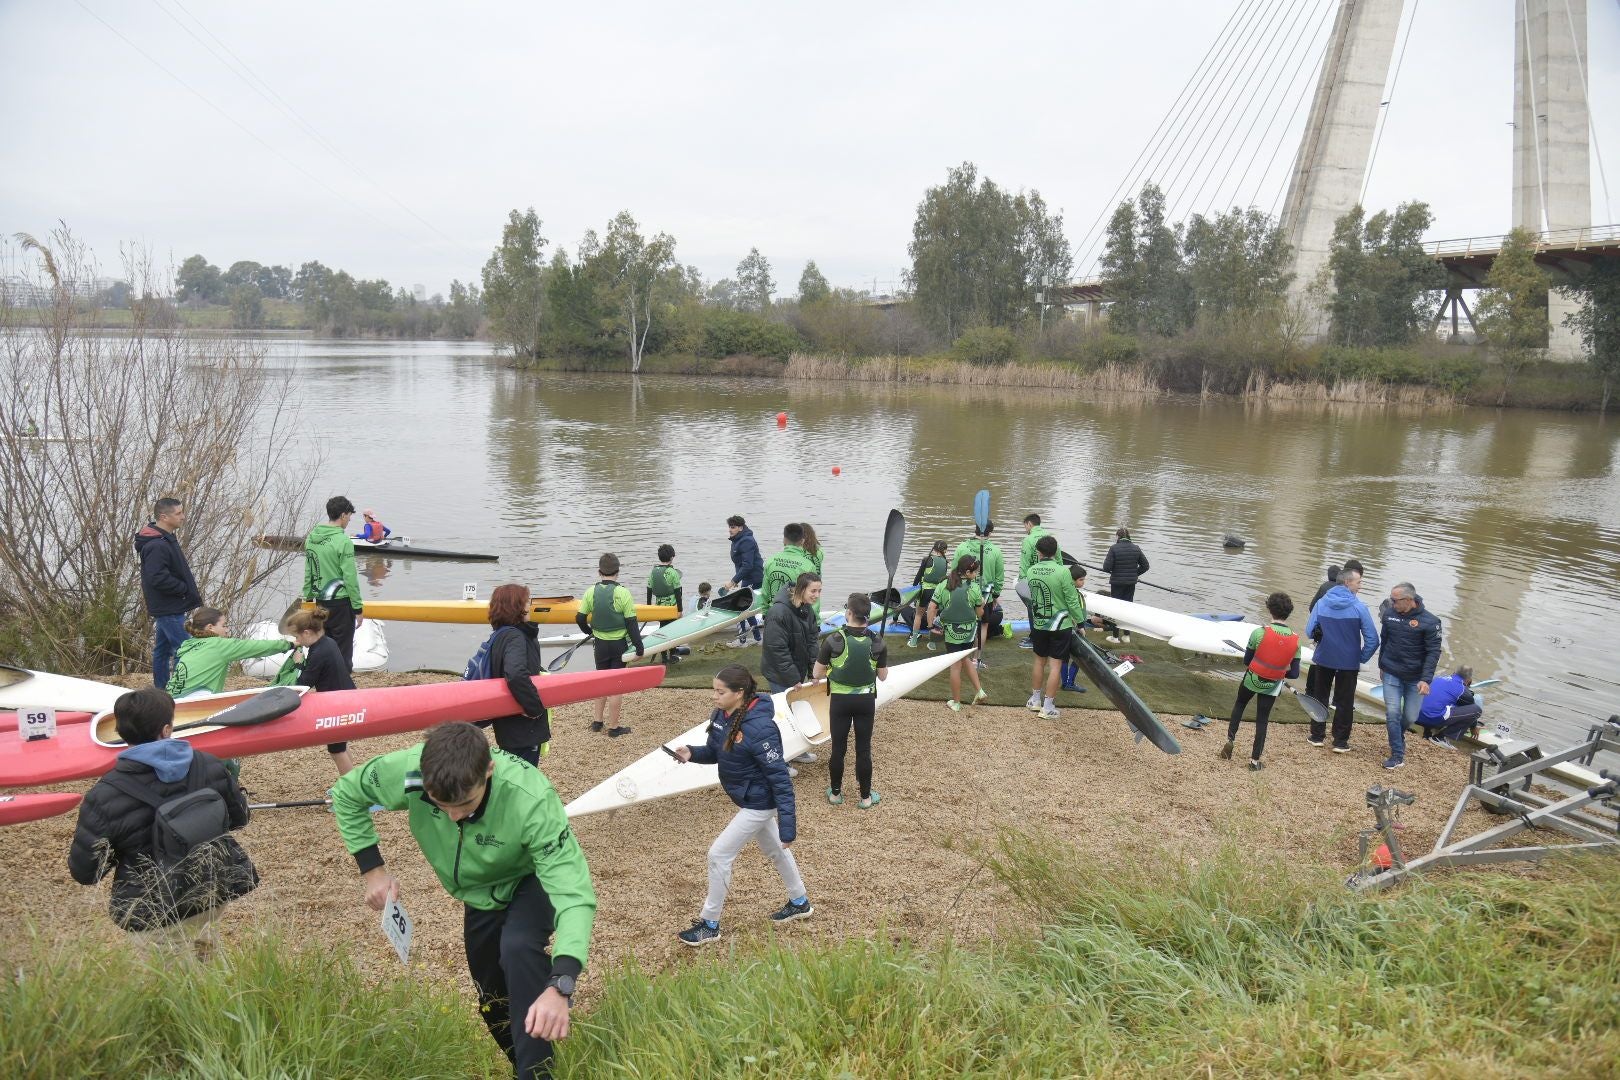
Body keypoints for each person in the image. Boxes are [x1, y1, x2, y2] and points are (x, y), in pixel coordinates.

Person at [332, 721, 595, 1080]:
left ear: (489, 770)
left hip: (530, 877)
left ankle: (537, 1074)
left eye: (466, 804)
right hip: (479, 894)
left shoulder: (530, 798)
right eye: (442, 806)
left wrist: (562, 981)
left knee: (517, 948)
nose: (456, 816)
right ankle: (522, 1062)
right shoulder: (410, 769)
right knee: (490, 996)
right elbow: (347, 793)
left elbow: (573, 894)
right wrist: (372, 869)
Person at [67, 687, 256, 957]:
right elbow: (239, 818)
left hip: (153, 909)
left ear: (120, 733)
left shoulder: (105, 795)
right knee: (206, 958)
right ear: (166, 729)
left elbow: (86, 872)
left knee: (168, 987)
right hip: (210, 890)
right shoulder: (209, 765)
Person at [671, 665, 811, 946]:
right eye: (714, 690)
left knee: (718, 855)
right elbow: (716, 751)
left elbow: (780, 777)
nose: (714, 696)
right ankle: (800, 901)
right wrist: (692, 753)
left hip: (760, 802)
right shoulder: (723, 715)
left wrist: (788, 828)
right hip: (748, 797)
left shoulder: (760, 728)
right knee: (775, 852)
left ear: (739, 693)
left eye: (720, 692)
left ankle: (710, 924)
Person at [814, 594, 889, 809]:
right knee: (863, 749)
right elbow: (883, 676)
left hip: (840, 701)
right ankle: (865, 797)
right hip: (865, 701)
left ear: (849, 613)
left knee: (839, 748)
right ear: (867, 616)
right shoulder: (877, 641)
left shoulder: (832, 640)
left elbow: (817, 673)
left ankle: (836, 794)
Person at [1218, 592, 1301, 772]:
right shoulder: (1296, 641)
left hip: (1252, 679)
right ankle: (1255, 761)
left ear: (1269, 610)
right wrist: (1278, 672)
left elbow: (1247, 662)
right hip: (1272, 685)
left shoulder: (1259, 633)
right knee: (1262, 720)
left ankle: (1229, 743)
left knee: (1240, 705)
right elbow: (1294, 673)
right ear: (1288, 613)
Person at [1303, 566, 1378, 754]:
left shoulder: (1321, 603)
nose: (1360, 586)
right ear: (1347, 582)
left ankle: (1317, 736)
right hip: (1348, 662)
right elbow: (1373, 639)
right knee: (1345, 701)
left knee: (1320, 696)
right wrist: (1361, 657)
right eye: (1359, 582)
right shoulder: (1359, 607)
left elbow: (1309, 631)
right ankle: (1340, 741)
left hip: (1324, 657)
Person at [282, 607, 359, 775]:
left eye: (297, 637)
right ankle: (352, 780)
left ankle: (350, 790)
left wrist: (297, 664)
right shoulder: (328, 642)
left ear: (307, 633)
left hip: (338, 704)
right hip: (348, 697)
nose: (297, 641)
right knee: (340, 746)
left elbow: (304, 684)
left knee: (336, 750)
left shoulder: (318, 653)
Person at [135, 496, 202, 689]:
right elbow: (157, 577)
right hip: (169, 606)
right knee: (186, 649)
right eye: (179, 513)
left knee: (162, 651)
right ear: (164, 517)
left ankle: (162, 688)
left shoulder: (163, 538)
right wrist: (182, 589)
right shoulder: (156, 544)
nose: (183, 517)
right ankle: (183, 688)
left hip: (168, 605)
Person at [480, 584, 550, 765]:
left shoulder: (500, 635)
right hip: (522, 727)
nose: (530, 606)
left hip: (507, 726)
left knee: (514, 774)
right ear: (517, 607)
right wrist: (534, 708)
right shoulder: (515, 636)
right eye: (527, 601)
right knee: (524, 779)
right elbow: (516, 674)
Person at [1375, 582, 1443, 770]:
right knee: (1393, 713)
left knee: (1411, 716)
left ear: (1409, 600)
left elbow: (1433, 653)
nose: (1392, 603)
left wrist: (1426, 679)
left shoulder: (1431, 622)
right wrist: (1381, 665)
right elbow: (1385, 641)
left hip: (1415, 678)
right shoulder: (1389, 615)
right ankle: (1397, 754)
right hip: (1391, 673)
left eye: (1395, 600)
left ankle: (1398, 734)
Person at [575, 554, 644, 738]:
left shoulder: (590, 592)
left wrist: (588, 631)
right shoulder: (623, 593)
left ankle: (597, 722)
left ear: (599, 572)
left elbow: (580, 618)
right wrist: (639, 648)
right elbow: (631, 624)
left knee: (601, 681)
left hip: (600, 645)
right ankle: (613, 728)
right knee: (616, 686)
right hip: (619, 646)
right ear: (618, 572)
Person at [166, 606, 292, 700]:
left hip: (171, 699)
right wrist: (289, 644)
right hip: (192, 701)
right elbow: (257, 647)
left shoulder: (190, 644)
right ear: (210, 627)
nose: (227, 630)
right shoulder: (219, 645)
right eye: (224, 625)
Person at [1024, 535, 1088, 720]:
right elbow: (1071, 600)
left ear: (1038, 552)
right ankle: (1048, 707)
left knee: (1038, 661)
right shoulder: (1063, 572)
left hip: (1039, 624)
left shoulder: (1031, 571)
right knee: (1055, 666)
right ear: (1056, 552)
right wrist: (1081, 622)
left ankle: (1035, 700)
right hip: (1060, 625)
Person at [304, 496, 365, 670]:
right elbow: (350, 578)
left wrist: (307, 603)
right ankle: (342, 692)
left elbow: (309, 573)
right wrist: (357, 608)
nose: (349, 520)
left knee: (322, 649)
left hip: (320, 604)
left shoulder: (311, 539)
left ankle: (325, 691)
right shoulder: (343, 541)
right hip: (341, 605)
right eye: (349, 516)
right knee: (343, 653)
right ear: (343, 515)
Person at [930, 555, 986, 712]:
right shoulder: (974, 588)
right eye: (975, 573)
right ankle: (980, 691)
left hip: (950, 632)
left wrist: (931, 626)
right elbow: (980, 614)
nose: (976, 575)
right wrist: (982, 604)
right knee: (965, 658)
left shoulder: (943, 584)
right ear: (968, 572)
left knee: (955, 666)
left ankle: (956, 702)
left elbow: (932, 608)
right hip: (969, 632)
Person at [1304, 559, 1359, 703]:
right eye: (1358, 582)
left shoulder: (1325, 587)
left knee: (1317, 665)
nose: (1359, 585)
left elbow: (1312, 608)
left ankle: (1311, 693)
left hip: (1322, 636)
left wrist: (1319, 627)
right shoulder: (1353, 599)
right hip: (1343, 647)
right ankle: (1336, 701)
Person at [762, 572, 822, 694]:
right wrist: (793, 679)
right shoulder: (778, 613)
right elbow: (777, 650)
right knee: (784, 710)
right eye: (813, 591)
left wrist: (813, 673)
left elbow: (812, 643)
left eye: (819, 591)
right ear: (801, 589)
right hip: (779, 674)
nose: (817, 595)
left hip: (797, 669)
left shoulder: (807, 608)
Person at [954, 520, 1006, 661]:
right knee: (983, 625)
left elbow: (953, 572)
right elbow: (999, 577)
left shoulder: (962, 547)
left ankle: (961, 657)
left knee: (962, 624)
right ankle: (976, 658)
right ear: (990, 532)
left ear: (975, 529)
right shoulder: (996, 551)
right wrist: (995, 595)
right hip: (984, 596)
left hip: (962, 594)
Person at [1017, 514, 1061, 649]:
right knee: (1049, 606)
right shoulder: (1052, 538)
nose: (1025, 529)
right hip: (1053, 578)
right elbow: (1059, 561)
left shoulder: (1028, 540)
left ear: (1029, 524)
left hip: (1034, 579)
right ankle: (1049, 634)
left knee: (1033, 608)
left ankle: (1034, 638)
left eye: (1025, 526)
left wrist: (1022, 585)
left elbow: (1024, 565)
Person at [1100, 527, 1149, 645]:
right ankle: (1127, 636)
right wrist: (1134, 573)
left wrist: (1117, 571)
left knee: (1116, 609)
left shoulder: (1114, 548)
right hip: (1131, 583)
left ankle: (1115, 637)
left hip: (1117, 583)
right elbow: (1145, 566)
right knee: (1128, 608)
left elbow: (1106, 568)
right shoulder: (1136, 548)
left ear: (1118, 537)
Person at [1416, 667, 1482, 746]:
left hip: (1416, 716)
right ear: (1468, 680)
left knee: (1437, 702)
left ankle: (1427, 733)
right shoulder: (1462, 690)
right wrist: (1473, 727)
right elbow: (1471, 709)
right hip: (1431, 719)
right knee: (1477, 710)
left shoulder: (1438, 678)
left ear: (1454, 673)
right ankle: (1440, 737)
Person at [724, 515, 764, 647]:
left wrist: (733, 581)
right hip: (747, 578)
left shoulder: (746, 541)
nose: (730, 529)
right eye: (729, 526)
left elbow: (748, 565)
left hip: (754, 578)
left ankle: (743, 641)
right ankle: (757, 639)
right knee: (747, 608)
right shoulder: (737, 539)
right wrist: (737, 580)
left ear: (741, 527)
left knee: (741, 608)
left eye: (733, 527)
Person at [761, 522, 817, 615]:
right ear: (802, 541)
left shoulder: (771, 561)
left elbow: (765, 591)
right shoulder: (808, 566)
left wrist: (765, 612)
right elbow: (813, 597)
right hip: (796, 615)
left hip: (774, 612)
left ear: (784, 540)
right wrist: (817, 622)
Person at [908, 540, 950, 649]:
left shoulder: (927, 559)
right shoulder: (945, 562)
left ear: (934, 548)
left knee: (918, 615)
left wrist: (913, 589)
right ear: (945, 550)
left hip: (925, 591)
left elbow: (918, 576)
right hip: (937, 593)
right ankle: (932, 644)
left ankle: (913, 642)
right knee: (934, 617)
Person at [647, 543, 683, 614]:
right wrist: (680, 610)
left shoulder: (653, 572)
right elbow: (677, 592)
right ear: (672, 558)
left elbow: (649, 590)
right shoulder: (673, 572)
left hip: (658, 607)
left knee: (662, 623)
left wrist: (648, 607)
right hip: (671, 608)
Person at [799, 522, 826, 620]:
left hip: (805, 580)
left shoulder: (801, 551)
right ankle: (816, 620)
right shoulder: (819, 550)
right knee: (816, 600)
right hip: (817, 579)